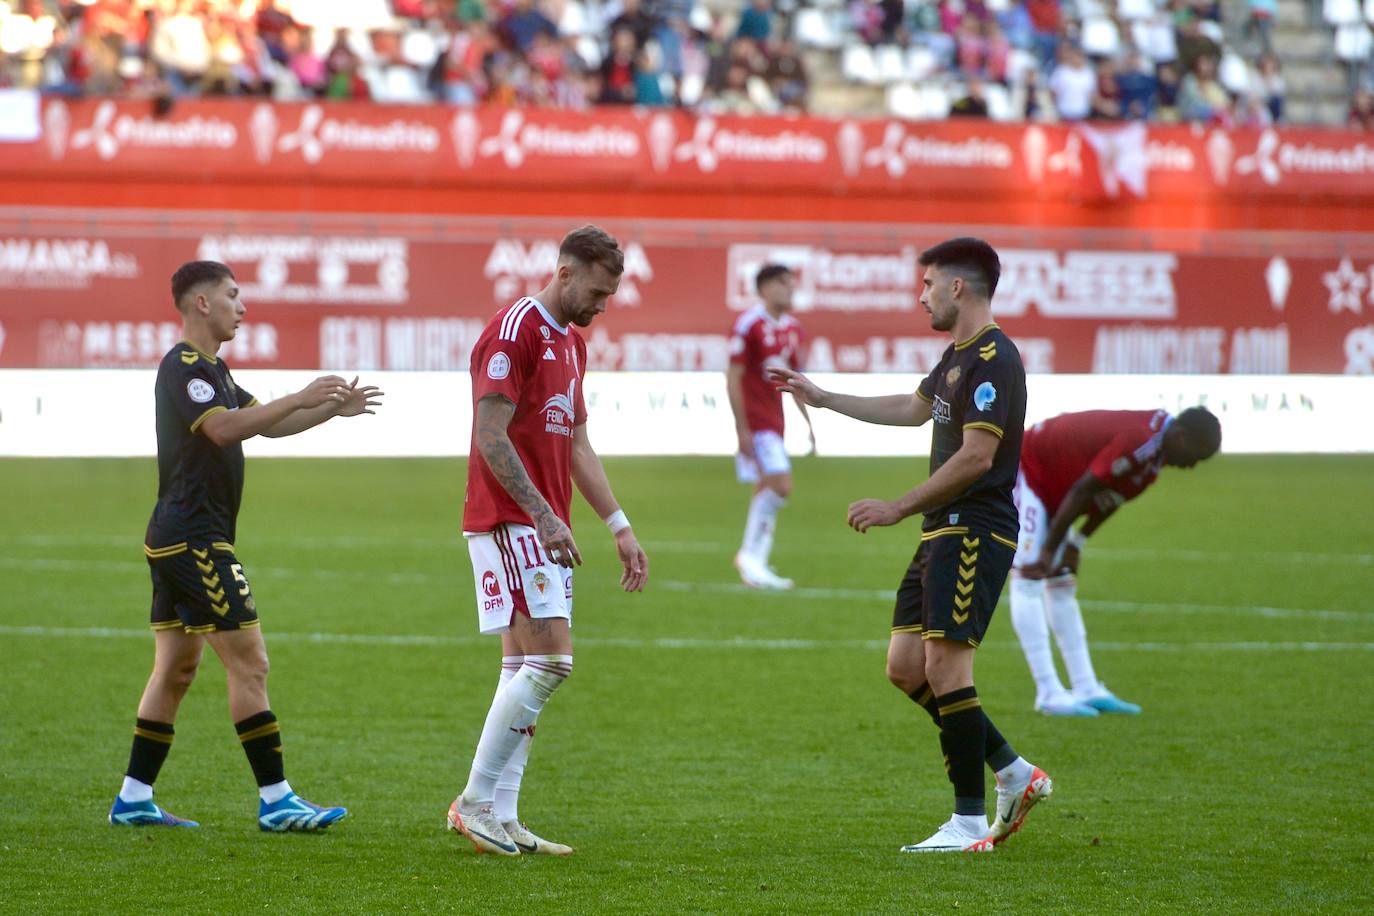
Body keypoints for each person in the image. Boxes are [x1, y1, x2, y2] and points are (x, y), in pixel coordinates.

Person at [769, 237, 1050, 853]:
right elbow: (913, 407)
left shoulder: (996, 359)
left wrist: (897, 506)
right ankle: (1011, 771)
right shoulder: (956, 356)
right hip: (941, 531)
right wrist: (824, 398)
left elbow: (977, 457)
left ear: (957, 287)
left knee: (947, 666)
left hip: (974, 529)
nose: (919, 295)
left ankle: (969, 822)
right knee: (904, 667)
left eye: (926, 285)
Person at [110, 261, 382, 830]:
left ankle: (134, 798)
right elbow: (224, 429)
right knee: (250, 663)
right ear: (202, 303)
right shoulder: (184, 366)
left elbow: (265, 424)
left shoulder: (215, 371)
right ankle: (277, 800)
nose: (244, 305)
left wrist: (330, 408)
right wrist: (301, 393)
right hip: (195, 541)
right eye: (234, 295)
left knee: (177, 669)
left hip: (176, 538)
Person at [447, 226, 649, 857]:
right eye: (596, 291)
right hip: (511, 518)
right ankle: (474, 801)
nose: (602, 306)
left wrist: (619, 526)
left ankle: (502, 817)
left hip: (541, 523)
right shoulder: (515, 331)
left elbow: (579, 445)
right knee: (551, 662)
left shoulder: (572, 344)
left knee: (520, 666)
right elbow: (490, 432)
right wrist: (539, 514)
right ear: (565, 273)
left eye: (611, 294)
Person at [1009, 407, 1222, 716]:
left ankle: (1085, 686)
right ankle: (1048, 692)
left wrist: (1076, 543)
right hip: (1029, 469)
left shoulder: (1155, 457)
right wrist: (1047, 552)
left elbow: (1109, 500)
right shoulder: (1141, 441)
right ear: (1181, 436)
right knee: (1029, 577)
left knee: (1061, 583)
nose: (1191, 466)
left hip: (1059, 490)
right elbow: (1086, 488)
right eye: (1195, 456)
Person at [726, 263, 815, 591]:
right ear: (763, 289)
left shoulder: (795, 331)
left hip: (776, 423)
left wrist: (807, 423)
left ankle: (754, 561)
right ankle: (752, 557)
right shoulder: (748, 324)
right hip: (757, 421)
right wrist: (741, 428)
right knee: (781, 485)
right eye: (781, 283)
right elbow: (733, 376)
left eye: (791, 283)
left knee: (766, 486)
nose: (789, 289)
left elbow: (796, 383)